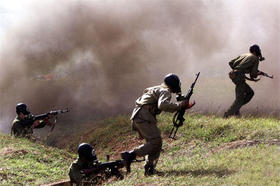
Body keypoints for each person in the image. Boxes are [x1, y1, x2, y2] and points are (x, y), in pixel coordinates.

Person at [121, 73, 195, 176]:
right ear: (174, 85)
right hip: (144, 116)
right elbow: (162, 105)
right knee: (156, 141)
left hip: (139, 116)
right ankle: (131, 155)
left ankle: (150, 168)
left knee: (156, 142)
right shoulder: (166, 91)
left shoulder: (157, 88)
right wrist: (179, 106)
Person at [224, 44, 266, 118]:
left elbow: (231, 63)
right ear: (256, 51)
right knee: (239, 99)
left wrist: (237, 69)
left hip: (234, 75)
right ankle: (227, 115)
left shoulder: (244, 55)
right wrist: (258, 73)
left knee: (250, 93)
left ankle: (236, 109)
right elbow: (253, 74)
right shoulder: (255, 58)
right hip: (239, 77)